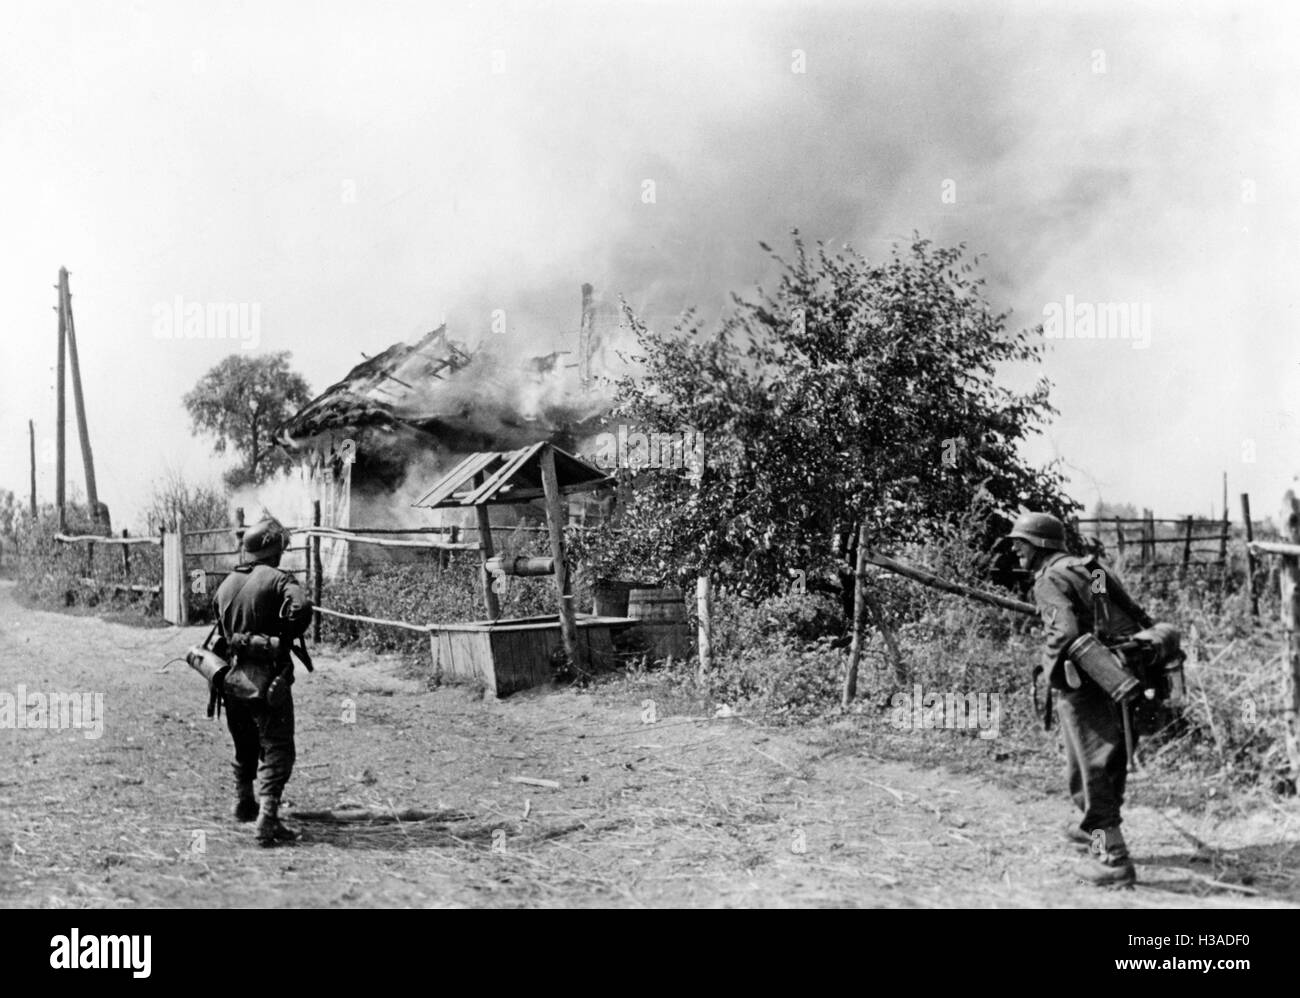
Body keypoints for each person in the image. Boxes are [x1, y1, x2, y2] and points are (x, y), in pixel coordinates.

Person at [1008, 511, 1150, 888]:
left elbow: (1065, 630)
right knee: (1086, 758)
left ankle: (1113, 859)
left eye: (1020, 543)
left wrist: (1051, 669)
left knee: (1095, 761)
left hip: (1087, 681)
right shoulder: (1086, 568)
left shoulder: (1050, 579)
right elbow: (1121, 611)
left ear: (1039, 545)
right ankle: (1093, 828)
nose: (1015, 549)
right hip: (1117, 672)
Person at [213, 517, 314, 847]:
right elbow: (303, 608)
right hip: (267, 680)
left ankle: (244, 802)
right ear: (275, 550)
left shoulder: (227, 583)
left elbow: (220, 626)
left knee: (245, 744)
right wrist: (283, 634)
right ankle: (267, 821)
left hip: (230, 680)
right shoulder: (279, 579)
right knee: (279, 750)